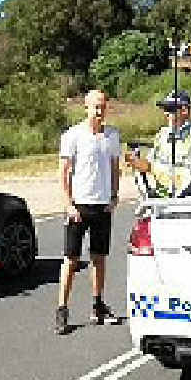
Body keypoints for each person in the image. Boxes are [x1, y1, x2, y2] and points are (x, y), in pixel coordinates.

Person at [56, 88, 121, 334]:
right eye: (95, 105)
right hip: (78, 206)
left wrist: (114, 196)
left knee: (99, 257)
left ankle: (98, 305)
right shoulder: (72, 135)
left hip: (102, 205)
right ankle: (62, 309)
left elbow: (115, 167)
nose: (99, 110)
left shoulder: (112, 135)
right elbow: (63, 172)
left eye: (103, 105)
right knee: (70, 259)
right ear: (86, 107)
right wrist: (67, 202)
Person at [126, 89, 191, 197]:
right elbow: (149, 165)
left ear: (184, 111)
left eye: (170, 109)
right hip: (162, 198)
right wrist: (136, 162)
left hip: (188, 199)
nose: (166, 113)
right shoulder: (162, 134)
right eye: (165, 109)